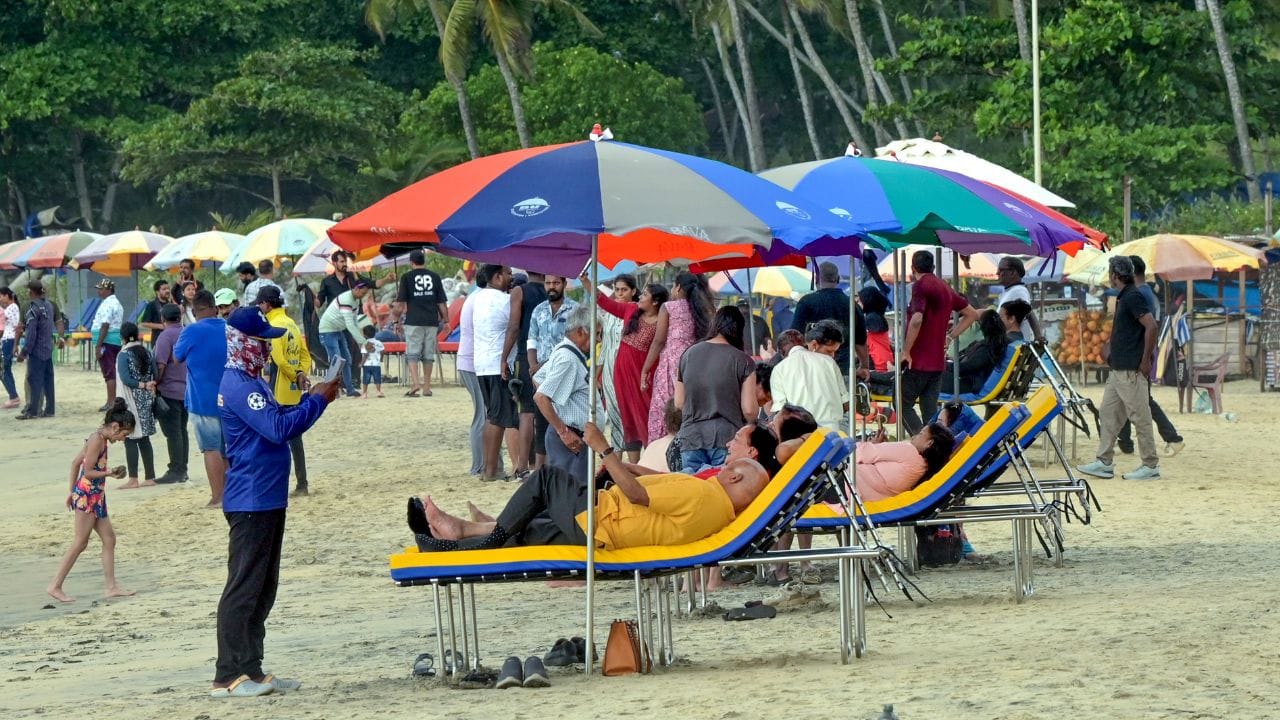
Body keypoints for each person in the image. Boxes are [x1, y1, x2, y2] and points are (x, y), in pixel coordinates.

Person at [213, 307, 338, 699]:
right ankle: (227, 675)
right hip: (250, 497)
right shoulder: (238, 384)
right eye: (262, 342)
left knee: (263, 588)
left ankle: (251, 668)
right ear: (243, 343)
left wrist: (311, 398)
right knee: (244, 587)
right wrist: (317, 401)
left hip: (265, 496)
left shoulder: (251, 379)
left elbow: (276, 416)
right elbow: (279, 427)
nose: (267, 349)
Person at [408, 422, 771, 552]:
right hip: (603, 531)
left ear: (736, 478)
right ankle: (452, 541)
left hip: (601, 523)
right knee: (535, 530)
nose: (725, 460)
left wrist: (604, 448)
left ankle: (490, 536)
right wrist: (622, 467)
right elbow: (653, 492)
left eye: (730, 463)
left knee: (549, 479)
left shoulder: (705, 491)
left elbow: (638, 496)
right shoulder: (717, 513)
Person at [1077, 256, 1161, 481]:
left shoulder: (1132, 296)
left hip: (1130, 369)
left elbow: (1151, 326)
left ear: (1114, 275)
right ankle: (1104, 462)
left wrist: (1145, 360)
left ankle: (1150, 465)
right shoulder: (1126, 296)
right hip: (1119, 368)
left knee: (1140, 417)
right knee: (1108, 414)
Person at [46, 399, 137, 603]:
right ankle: (55, 585)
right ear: (115, 427)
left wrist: (72, 491)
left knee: (109, 539)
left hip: (94, 496)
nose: (123, 439)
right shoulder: (97, 440)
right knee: (80, 542)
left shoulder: (98, 439)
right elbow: (87, 472)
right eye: (124, 434)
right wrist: (110, 473)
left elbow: (76, 463)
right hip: (88, 496)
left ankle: (111, 587)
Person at [900, 250, 980, 434]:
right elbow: (972, 314)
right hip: (938, 362)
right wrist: (950, 336)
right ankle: (935, 444)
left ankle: (922, 441)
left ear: (913, 268)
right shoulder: (945, 287)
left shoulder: (920, 286)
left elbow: (917, 319)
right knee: (930, 411)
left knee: (902, 403)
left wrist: (906, 350)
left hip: (918, 359)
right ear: (933, 267)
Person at [592, 275, 668, 461]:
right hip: (621, 374)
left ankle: (652, 459)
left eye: (645, 295)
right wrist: (588, 282)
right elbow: (605, 303)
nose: (640, 298)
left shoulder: (663, 321)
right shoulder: (631, 310)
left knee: (646, 416)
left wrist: (645, 372)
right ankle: (635, 465)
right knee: (628, 419)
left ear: (656, 301)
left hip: (644, 377)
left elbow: (661, 346)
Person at [675, 306, 758, 473]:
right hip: (726, 438)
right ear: (739, 330)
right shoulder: (743, 360)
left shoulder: (688, 354)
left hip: (691, 436)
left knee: (695, 491)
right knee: (722, 492)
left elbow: (679, 402)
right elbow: (749, 410)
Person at [1117, 255, 1184, 458]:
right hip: (1139, 353)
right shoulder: (1146, 294)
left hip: (1138, 355)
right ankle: (1125, 441)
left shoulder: (1138, 295)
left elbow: (1146, 327)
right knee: (1126, 397)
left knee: (1142, 399)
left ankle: (1172, 437)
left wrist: (1143, 358)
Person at [532, 305, 602, 485]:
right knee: (574, 493)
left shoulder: (565, 350)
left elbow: (539, 377)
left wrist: (559, 404)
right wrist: (563, 431)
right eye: (596, 334)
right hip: (572, 438)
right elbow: (541, 396)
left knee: (571, 491)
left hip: (574, 436)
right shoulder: (567, 358)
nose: (597, 340)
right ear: (580, 332)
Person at [644, 271, 715, 443]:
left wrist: (645, 369)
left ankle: (661, 448)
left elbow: (659, 341)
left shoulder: (668, 307)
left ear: (678, 287)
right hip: (694, 366)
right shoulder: (702, 309)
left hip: (670, 367)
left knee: (664, 410)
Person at [175, 290, 229, 507]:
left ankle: (218, 496)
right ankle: (232, 494)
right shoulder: (228, 327)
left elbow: (177, 357)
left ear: (194, 311)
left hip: (202, 400)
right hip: (230, 397)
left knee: (211, 448)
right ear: (214, 307)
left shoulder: (191, 331)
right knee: (229, 450)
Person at [259, 285, 312, 495]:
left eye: (260, 303)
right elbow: (305, 355)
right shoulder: (292, 323)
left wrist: (292, 374)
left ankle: (275, 485)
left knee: (272, 436)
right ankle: (302, 483)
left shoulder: (273, 325)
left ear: (267, 304)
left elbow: (278, 359)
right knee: (295, 438)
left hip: (278, 387)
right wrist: (300, 374)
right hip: (294, 390)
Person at [525, 275, 578, 471]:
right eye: (548, 283)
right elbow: (532, 340)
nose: (551, 287)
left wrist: (543, 365)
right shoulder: (539, 310)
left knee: (564, 419)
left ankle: (564, 467)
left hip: (564, 372)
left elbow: (575, 342)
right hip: (541, 375)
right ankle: (540, 471)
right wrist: (533, 367)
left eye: (556, 283)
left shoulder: (575, 309)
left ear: (564, 284)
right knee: (541, 420)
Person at [473, 264, 519, 481]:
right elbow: (513, 328)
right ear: (498, 276)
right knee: (497, 418)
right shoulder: (503, 301)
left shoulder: (478, 298)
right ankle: (491, 471)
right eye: (508, 273)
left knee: (493, 415)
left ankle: (487, 468)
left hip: (482, 364)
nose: (512, 277)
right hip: (498, 364)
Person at [834, 422, 956, 503]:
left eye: (921, 434)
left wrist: (873, 443)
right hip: (859, 496)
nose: (914, 436)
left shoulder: (909, 451)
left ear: (929, 443)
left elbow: (858, 453)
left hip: (846, 481)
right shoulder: (922, 469)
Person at [791, 261, 869, 376]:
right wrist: (864, 366)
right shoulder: (852, 305)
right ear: (837, 279)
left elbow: (794, 336)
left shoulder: (806, 302)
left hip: (813, 370)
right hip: (843, 370)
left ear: (816, 278)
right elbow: (860, 342)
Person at [502, 270, 546, 472]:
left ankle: (521, 465)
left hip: (526, 355)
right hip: (550, 357)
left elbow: (513, 327)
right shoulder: (553, 289)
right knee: (547, 412)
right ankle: (541, 465)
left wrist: (503, 358)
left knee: (526, 413)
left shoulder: (519, 291)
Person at [771, 319, 848, 430]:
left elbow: (781, 411)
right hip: (831, 432)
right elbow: (845, 403)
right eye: (829, 351)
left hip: (800, 435)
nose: (832, 356)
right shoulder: (829, 362)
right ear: (813, 345)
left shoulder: (779, 369)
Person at [458, 277, 497, 477]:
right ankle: (479, 466)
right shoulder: (483, 299)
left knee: (485, 415)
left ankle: (486, 464)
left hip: (470, 363)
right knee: (482, 416)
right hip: (473, 364)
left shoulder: (475, 297)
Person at [396, 249, 448, 397]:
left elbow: (400, 304)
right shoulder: (435, 277)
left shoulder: (406, 277)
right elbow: (442, 303)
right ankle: (426, 387)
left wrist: (396, 320)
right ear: (424, 261)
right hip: (431, 321)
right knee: (428, 354)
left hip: (413, 320)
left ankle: (415, 383)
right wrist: (447, 320)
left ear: (411, 262)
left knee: (412, 353)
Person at [596, 274, 637, 455]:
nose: (620, 293)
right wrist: (598, 372)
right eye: (617, 289)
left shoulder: (636, 312)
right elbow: (605, 346)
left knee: (627, 415)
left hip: (627, 369)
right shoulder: (609, 315)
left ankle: (633, 462)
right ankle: (617, 461)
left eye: (624, 289)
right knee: (613, 415)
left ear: (633, 291)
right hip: (609, 370)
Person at [115, 322, 158, 489]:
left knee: (130, 438)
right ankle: (150, 477)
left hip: (130, 399)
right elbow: (155, 373)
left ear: (122, 337)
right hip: (147, 399)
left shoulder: (123, 355)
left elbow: (126, 379)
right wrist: (148, 385)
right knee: (144, 438)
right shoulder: (147, 352)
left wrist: (141, 385)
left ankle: (133, 479)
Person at [153, 303, 189, 484]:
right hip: (187, 391)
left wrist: (154, 383)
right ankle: (183, 469)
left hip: (169, 391)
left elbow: (160, 364)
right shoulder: (187, 332)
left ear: (163, 319)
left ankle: (175, 470)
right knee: (182, 431)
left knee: (173, 432)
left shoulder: (165, 336)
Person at [317, 278, 372, 397]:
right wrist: (363, 342)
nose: (363, 295)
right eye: (362, 293)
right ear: (356, 289)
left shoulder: (356, 301)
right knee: (336, 360)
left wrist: (362, 340)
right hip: (327, 330)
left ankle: (349, 388)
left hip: (338, 330)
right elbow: (350, 324)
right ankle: (329, 389)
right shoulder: (346, 300)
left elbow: (355, 321)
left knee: (346, 359)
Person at [939, 309, 1012, 395]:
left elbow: (967, 367)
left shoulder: (988, 347)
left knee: (930, 376)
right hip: (969, 381)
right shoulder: (994, 344)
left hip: (969, 385)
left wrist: (944, 365)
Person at [15, 280, 56, 419]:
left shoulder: (33, 309)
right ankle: (50, 410)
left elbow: (31, 334)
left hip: (37, 351)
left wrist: (24, 351)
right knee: (48, 380)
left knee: (34, 380)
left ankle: (33, 411)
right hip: (48, 349)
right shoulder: (49, 305)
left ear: (31, 292)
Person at [92, 278, 125, 412]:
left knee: (109, 372)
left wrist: (98, 346)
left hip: (107, 341)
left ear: (108, 290)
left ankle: (111, 402)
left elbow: (105, 325)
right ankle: (111, 401)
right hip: (114, 340)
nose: (99, 292)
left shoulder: (108, 304)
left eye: (101, 289)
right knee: (112, 371)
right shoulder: (116, 303)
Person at [994, 256, 1041, 342]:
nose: (997, 273)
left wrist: (1038, 337)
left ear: (1012, 272)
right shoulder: (1009, 291)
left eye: (1001, 270)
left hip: (1015, 346)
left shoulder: (1018, 291)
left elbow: (1029, 313)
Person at [859, 286, 893, 371]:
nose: (858, 303)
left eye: (860, 300)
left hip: (879, 362)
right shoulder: (877, 316)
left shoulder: (872, 318)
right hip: (883, 359)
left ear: (867, 301)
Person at [1, 287, 21, 409]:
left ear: (7, 296)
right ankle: (13, 396)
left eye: (1, 296)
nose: (0, 299)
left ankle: (13, 397)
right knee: (6, 369)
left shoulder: (12, 307)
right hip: (8, 339)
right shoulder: (10, 308)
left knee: (4, 369)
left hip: (8, 339)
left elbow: (2, 318)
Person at [138, 280, 172, 347]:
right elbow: (144, 323)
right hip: (157, 340)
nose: (167, 291)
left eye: (168, 288)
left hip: (171, 339)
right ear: (157, 292)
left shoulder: (171, 304)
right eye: (164, 289)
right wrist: (160, 326)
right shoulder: (152, 305)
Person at [360, 325, 385, 398]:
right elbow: (383, 351)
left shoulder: (364, 344)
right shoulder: (379, 342)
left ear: (364, 335)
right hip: (376, 364)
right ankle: (378, 391)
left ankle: (364, 393)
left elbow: (365, 355)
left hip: (367, 365)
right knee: (377, 378)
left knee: (366, 379)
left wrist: (361, 363)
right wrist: (381, 359)